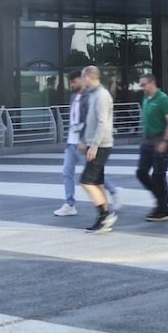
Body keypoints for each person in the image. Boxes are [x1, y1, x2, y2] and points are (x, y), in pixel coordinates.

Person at [54, 71, 120, 217]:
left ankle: (112, 194)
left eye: (74, 81)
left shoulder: (91, 96)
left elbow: (94, 121)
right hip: (71, 142)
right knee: (67, 172)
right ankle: (69, 204)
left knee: (92, 175)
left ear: (83, 80)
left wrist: (85, 140)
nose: (71, 84)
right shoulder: (73, 97)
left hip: (84, 143)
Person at [78, 65, 117, 233]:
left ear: (87, 77)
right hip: (97, 144)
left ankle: (105, 215)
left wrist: (93, 146)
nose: (81, 81)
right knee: (97, 182)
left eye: (82, 77)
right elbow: (91, 121)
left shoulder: (101, 95)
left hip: (101, 145)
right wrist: (83, 140)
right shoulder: (94, 94)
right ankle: (105, 217)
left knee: (86, 181)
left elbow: (103, 123)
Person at [136, 73, 168, 222]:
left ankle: (163, 209)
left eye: (144, 84)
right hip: (147, 142)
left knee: (158, 175)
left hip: (161, 140)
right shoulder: (146, 98)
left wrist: (164, 141)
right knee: (141, 173)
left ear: (152, 83)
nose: (142, 87)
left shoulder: (162, 99)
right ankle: (160, 199)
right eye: (141, 85)